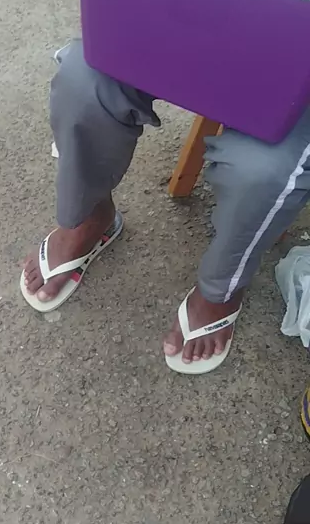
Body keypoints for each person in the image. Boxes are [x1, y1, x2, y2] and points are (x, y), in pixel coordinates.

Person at [21, 40, 310, 374]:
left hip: (296, 67)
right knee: (84, 81)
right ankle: (88, 215)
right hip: (196, 26)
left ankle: (221, 287)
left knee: (266, 171)